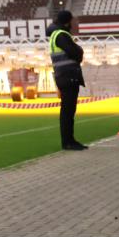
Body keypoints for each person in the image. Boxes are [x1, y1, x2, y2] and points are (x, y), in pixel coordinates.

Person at [46, 10, 87, 151]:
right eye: (72, 21)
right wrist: (79, 50)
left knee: (67, 111)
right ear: (67, 22)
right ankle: (68, 141)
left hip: (63, 75)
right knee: (68, 111)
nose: (74, 23)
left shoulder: (55, 35)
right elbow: (75, 53)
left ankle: (69, 140)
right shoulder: (62, 35)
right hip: (68, 75)